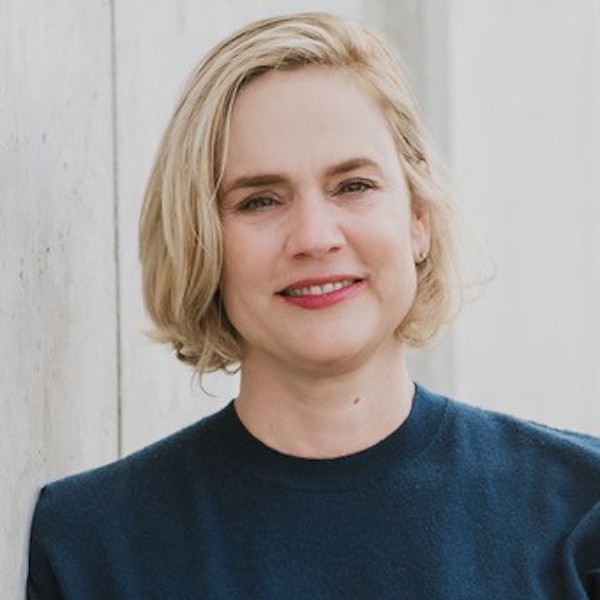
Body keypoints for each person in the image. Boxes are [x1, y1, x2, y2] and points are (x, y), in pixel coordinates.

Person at [27, 12, 600, 599]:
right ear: (201, 239)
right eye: (260, 200)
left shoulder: (581, 507)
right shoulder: (94, 544)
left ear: (418, 217)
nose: (314, 236)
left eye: (353, 186)